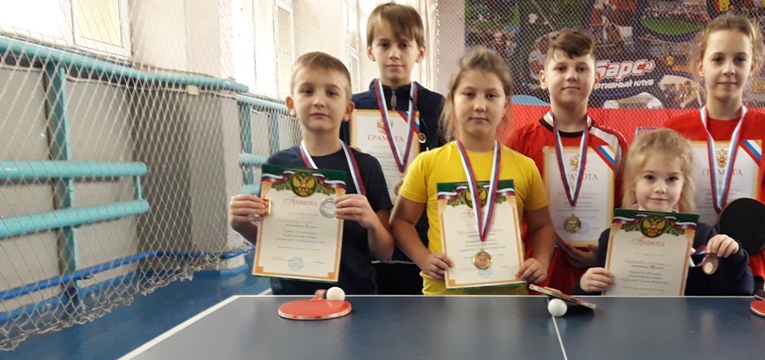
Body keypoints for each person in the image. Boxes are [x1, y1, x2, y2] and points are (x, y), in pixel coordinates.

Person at [663, 12, 765, 299]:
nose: (729, 69)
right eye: (718, 59)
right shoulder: (674, 130)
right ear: (700, 66)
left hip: (746, 270)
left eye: (739, 59)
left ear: (752, 66)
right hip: (684, 266)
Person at [391, 47, 555, 295]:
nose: (479, 105)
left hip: (509, 301)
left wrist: (541, 261)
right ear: (451, 100)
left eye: (491, 96)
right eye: (469, 94)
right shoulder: (427, 164)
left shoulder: (525, 167)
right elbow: (401, 221)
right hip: (443, 299)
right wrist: (423, 258)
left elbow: (542, 226)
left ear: (505, 104)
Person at [229, 52, 393, 296]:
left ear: (348, 110)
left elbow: (385, 252)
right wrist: (242, 225)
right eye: (307, 91)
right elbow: (274, 241)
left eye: (331, 93)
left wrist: (372, 222)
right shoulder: (278, 167)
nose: (319, 101)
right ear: (291, 105)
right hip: (292, 298)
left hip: (356, 297)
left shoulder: (366, 167)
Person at [506, 28, 628, 295]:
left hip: (594, 278)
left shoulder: (613, 143)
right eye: (561, 68)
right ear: (543, 78)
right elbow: (507, 212)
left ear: (596, 79)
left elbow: (623, 212)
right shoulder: (521, 141)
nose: (571, 75)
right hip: (534, 274)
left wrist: (602, 254)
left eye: (581, 68)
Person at [575, 129, 753, 296]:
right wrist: (584, 286)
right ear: (633, 183)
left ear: (683, 184)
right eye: (649, 177)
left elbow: (740, 292)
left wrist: (733, 256)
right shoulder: (612, 238)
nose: (660, 188)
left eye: (671, 179)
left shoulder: (704, 237)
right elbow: (596, 301)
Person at [344, 2, 444, 294]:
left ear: (420, 52)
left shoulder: (437, 107)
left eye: (404, 45)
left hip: (420, 241)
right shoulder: (352, 107)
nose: (394, 54)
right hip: (367, 240)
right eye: (384, 44)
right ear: (370, 50)